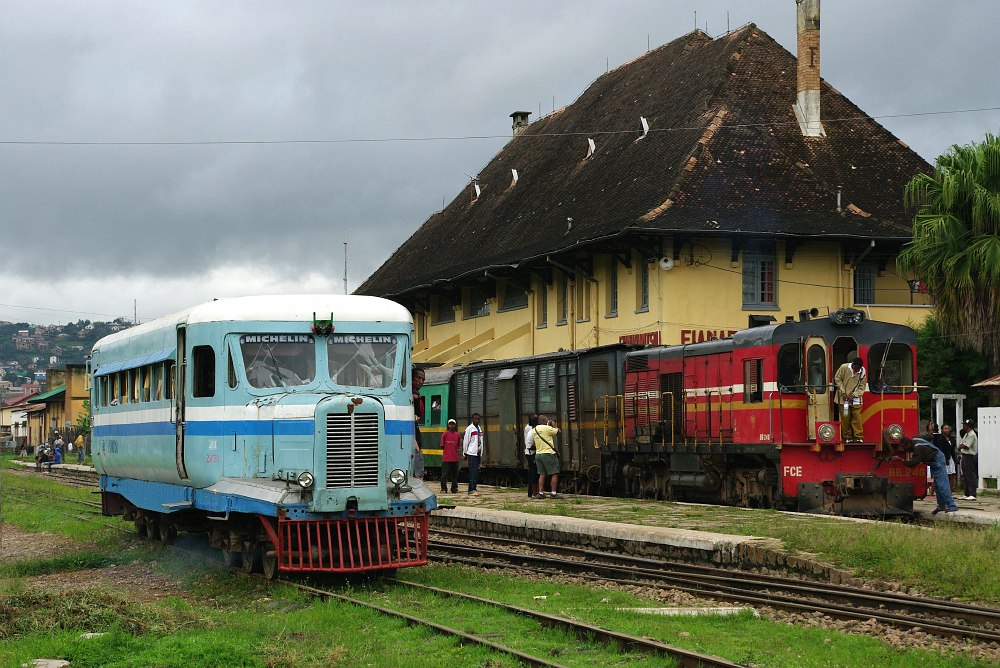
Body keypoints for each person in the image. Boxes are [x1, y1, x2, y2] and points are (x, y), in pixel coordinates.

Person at [894, 434, 958, 514]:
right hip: (935, 459)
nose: (904, 450)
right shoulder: (916, 438)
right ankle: (941, 506)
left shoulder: (918, 448)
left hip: (937, 460)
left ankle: (952, 505)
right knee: (937, 485)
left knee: (942, 484)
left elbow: (912, 464)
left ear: (908, 445)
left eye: (904, 447)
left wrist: (901, 460)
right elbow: (930, 436)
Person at [833, 358, 866, 443]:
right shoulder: (844, 367)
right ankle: (847, 437)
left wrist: (854, 395)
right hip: (843, 399)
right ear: (853, 364)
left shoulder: (862, 371)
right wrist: (843, 393)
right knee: (845, 417)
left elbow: (862, 386)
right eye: (856, 369)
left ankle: (858, 436)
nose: (857, 371)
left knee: (857, 417)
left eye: (858, 369)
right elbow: (837, 379)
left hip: (856, 399)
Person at [533, 415, 560, 499]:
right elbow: (558, 431)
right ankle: (553, 493)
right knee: (554, 473)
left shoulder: (534, 430)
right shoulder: (547, 428)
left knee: (542, 474)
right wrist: (554, 425)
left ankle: (540, 493)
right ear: (545, 421)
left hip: (538, 454)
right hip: (548, 453)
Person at [462, 413, 484, 496]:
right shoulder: (469, 429)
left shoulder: (479, 428)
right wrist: (465, 452)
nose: (477, 420)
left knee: (476, 472)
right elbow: (466, 441)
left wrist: (481, 451)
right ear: (472, 419)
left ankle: (474, 488)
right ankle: (471, 489)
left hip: (477, 453)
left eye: (478, 419)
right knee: (473, 471)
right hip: (472, 453)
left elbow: (481, 441)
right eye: (475, 419)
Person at [410, 367, 426, 481]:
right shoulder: (411, 394)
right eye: (418, 378)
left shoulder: (417, 394)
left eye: (423, 379)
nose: (420, 382)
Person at [439, 419, 461, 494]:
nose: (452, 425)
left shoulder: (457, 435)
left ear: (455, 425)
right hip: (447, 458)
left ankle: (454, 488)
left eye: (453, 424)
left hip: (455, 458)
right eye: (450, 424)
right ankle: (443, 488)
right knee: (444, 474)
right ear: (448, 425)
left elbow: (458, 445)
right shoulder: (445, 434)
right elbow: (442, 445)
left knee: (455, 475)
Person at [958, 419, 979, 500]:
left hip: (969, 456)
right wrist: (961, 446)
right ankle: (967, 493)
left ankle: (972, 494)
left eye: (965, 425)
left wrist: (961, 446)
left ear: (969, 426)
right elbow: (961, 443)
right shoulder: (967, 434)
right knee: (966, 475)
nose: (964, 426)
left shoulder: (972, 434)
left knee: (970, 475)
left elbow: (966, 446)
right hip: (965, 455)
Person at [524, 415, 539, 498]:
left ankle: (531, 492)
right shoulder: (531, 430)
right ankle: (534, 493)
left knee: (532, 473)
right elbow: (529, 445)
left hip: (529, 453)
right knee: (534, 473)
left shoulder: (528, 427)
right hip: (531, 454)